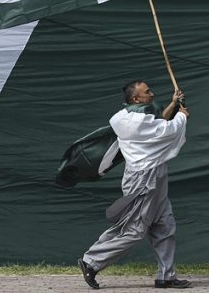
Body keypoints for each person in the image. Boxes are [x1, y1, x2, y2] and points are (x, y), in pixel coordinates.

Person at [77, 79, 191, 289]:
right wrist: (182, 116)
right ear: (136, 98)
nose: (152, 94)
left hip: (155, 173)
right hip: (143, 179)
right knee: (134, 230)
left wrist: (173, 104)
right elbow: (167, 130)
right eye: (147, 92)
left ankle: (166, 276)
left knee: (164, 224)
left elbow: (157, 122)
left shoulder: (124, 117)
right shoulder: (135, 123)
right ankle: (91, 261)